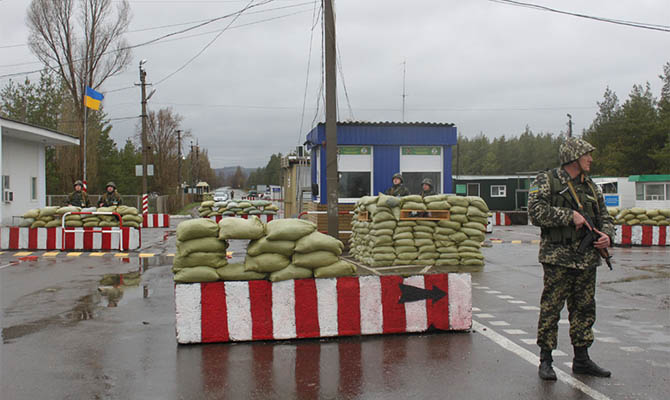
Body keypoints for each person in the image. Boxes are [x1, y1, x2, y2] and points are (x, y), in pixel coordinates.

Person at [528, 137, 614, 381]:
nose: (590, 159)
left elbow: (605, 217)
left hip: (586, 259)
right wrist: (570, 216)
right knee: (551, 309)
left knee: (585, 308)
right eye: (587, 154)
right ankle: (546, 359)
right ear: (574, 157)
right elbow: (535, 212)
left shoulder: (591, 186)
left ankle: (582, 359)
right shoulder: (546, 181)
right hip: (558, 257)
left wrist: (607, 236)